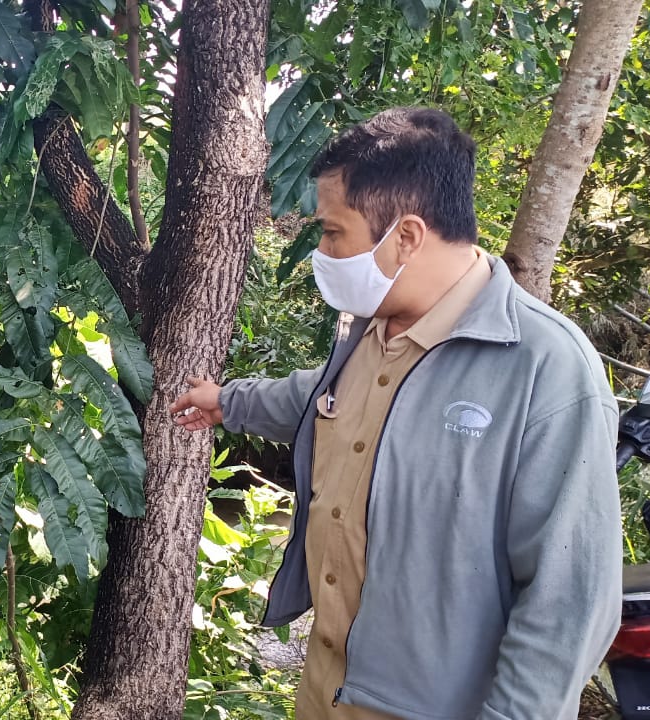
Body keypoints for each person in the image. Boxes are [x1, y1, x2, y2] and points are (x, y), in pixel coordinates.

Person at [170, 107, 622, 720]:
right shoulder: (372, 331)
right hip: (329, 690)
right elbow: (323, 400)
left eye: (333, 234)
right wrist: (229, 400)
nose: (322, 251)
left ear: (405, 236)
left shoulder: (546, 369)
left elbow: (570, 602)